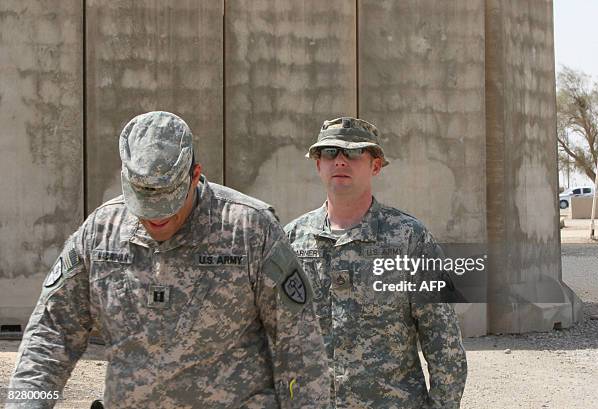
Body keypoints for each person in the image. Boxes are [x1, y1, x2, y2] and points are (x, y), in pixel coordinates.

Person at [8, 111, 330, 408]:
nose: (156, 218)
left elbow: (300, 348)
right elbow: (50, 337)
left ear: (195, 175)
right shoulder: (101, 233)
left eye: (168, 202)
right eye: (144, 202)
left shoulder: (249, 230)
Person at [284, 117, 467, 408]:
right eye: (330, 152)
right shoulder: (292, 240)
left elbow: (444, 344)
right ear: (318, 164)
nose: (340, 161)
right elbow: (275, 337)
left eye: (354, 152)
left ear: (376, 165)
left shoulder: (410, 238)